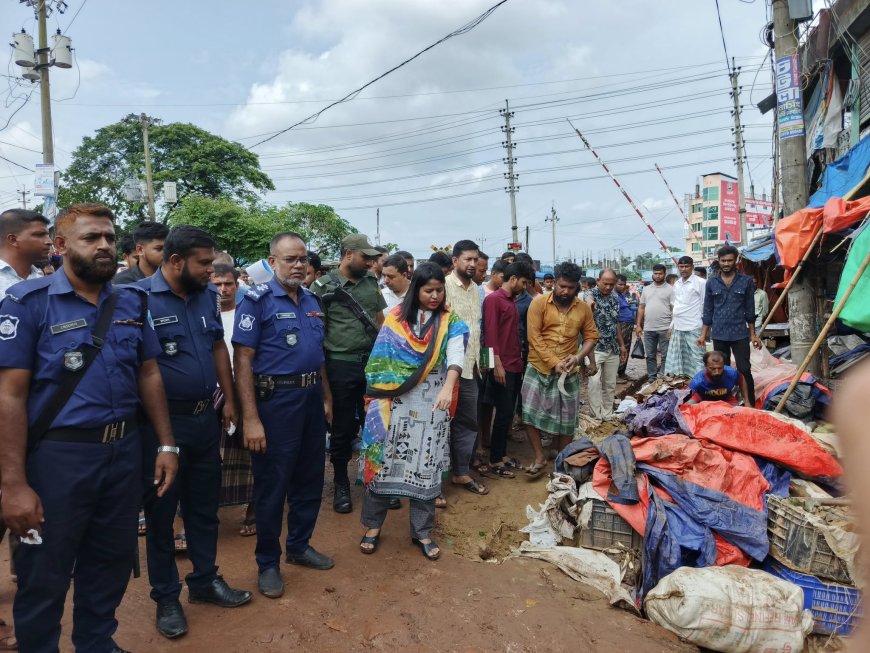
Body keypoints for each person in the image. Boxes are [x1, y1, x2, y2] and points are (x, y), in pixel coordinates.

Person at [0, 203, 179, 653]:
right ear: (60, 247)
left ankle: (97, 642)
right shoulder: (28, 304)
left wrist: (166, 443)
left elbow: (150, 373)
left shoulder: (132, 301)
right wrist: (13, 484)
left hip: (123, 453)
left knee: (112, 560)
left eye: (109, 237)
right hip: (58, 458)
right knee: (46, 570)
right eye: (90, 238)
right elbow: (9, 397)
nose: (104, 246)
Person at [137, 227, 250, 639]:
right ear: (176, 261)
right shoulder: (139, 300)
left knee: (205, 508)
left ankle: (204, 580)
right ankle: (166, 596)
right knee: (163, 514)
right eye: (204, 264)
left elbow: (219, 346)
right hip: (162, 426)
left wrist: (232, 399)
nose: (212, 272)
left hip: (206, 419)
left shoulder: (205, 296)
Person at [233, 233, 335, 598]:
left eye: (302, 259)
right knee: (273, 486)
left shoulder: (311, 300)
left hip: (309, 399)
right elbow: (242, 361)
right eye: (290, 259)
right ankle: (268, 563)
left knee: (309, 479)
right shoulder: (256, 302)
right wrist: (251, 418)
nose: (298, 265)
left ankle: (299, 546)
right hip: (275, 403)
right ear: (272, 261)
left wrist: (325, 398)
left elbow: (317, 355)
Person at [358, 262, 468, 560]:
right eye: (428, 290)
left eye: (439, 290)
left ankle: (422, 531)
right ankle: (372, 526)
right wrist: (382, 393)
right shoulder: (396, 319)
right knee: (383, 461)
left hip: (432, 400)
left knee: (427, 466)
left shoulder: (450, 321)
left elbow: (457, 354)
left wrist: (448, 386)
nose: (434, 296)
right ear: (416, 289)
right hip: (391, 402)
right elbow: (379, 362)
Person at [0, 208, 52, 650]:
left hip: (36, 418)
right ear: (14, 240)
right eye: (40, 234)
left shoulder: (47, 284)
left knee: (28, 514)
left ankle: (24, 612)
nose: (49, 240)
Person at [311, 234, 386, 514]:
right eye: (365, 257)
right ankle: (341, 482)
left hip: (372, 364)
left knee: (376, 424)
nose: (370, 262)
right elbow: (317, 334)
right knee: (342, 427)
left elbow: (380, 323)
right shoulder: (322, 287)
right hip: (340, 365)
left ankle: (376, 481)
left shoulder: (370, 282)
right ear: (349, 254)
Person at [521, 262, 598, 477]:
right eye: (562, 286)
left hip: (569, 370)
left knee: (568, 418)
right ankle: (539, 456)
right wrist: (554, 362)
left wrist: (578, 357)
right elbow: (534, 338)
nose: (566, 291)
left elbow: (591, 336)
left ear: (578, 287)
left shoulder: (583, 309)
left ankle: (561, 458)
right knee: (529, 414)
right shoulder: (538, 304)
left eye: (571, 288)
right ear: (554, 282)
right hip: (538, 366)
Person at [211, 264, 255, 535]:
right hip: (211, 392)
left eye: (228, 284)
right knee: (214, 455)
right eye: (217, 285)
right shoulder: (204, 315)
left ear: (237, 286)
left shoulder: (246, 315)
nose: (223, 290)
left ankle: (254, 509)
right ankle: (208, 510)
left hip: (246, 391)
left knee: (250, 452)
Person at [482, 261, 534, 477]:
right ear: (512, 279)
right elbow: (490, 334)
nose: (524, 286)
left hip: (514, 363)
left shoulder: (511, 300)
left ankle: (501, 455)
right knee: (502, 413)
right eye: (522, 282)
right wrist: (496, 366)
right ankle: (495, 460)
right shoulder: (494, 300)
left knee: (507, 413)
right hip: (502, 366)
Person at [445, 240, 488, 497]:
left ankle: (460, 472)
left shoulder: (475, 289)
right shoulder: (444, 287)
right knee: (440, 424)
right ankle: (434, 482)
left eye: (475, 260)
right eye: (467, 260)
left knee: (467, 422)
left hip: (471, 368)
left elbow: (476, 328)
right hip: (446, 369)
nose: (472, 264)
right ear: (455, 261)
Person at [698, 245, 761, 406]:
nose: (726, 264)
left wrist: (753, 335)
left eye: (729, 260)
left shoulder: (746, 281)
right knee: (720, 371)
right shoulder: (711, 283)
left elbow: (750, 310)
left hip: (740, 333)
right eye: (723, 261)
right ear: (718, 261)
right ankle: (723, 403)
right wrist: (703, 335)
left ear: (736, 261)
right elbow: (708, 310)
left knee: (744, 369)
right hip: (719, 334)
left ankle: (749, 404)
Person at [585, 269, 627, 420]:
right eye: (605, 284)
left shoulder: (615, 298)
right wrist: (590, 303)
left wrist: (622, 345)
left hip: (612, 348)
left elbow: (616, 324)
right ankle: (596, 416)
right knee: (594, 383)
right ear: (598, 281)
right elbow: (588, 298)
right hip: (594, 349)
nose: (608, 287)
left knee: (609, 384)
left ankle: (607, 414)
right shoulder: (590, 294)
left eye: (611, 284)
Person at [664, 256, 707, 377]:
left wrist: (704, 331)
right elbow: (676, 306)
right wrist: (671, 326)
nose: (684, 269)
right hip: (678, 327)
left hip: (694, 327)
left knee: (697, 359)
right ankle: (683, 386)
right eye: (681, 267)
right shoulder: (677, 284)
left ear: (692, 267)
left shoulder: (701, 283)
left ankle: (699, 387)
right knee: (679, 360)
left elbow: (705, 306)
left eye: (686, 266)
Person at [636, 263, 673, 381]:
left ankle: (662, 376)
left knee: (665, 355)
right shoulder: (646, 289)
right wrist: (638, 325)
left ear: (664, 274)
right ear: (652, 274)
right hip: (648, 328)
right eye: (655, 273)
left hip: (665, 328)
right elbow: (641, 308)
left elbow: (674, 309)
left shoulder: (671, 289)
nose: (657, 276)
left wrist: (672, 326)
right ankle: (652, 378)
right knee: (650, 355)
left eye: (660, 273)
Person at [614, 274, 635, 376]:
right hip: (621, 324)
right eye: (620, 284)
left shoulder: (621, 294)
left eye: (624, 284)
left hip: (627, 324)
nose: (622, 286)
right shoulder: (613, 295)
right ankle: (618, 373)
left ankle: (622, 371)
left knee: (626, 347)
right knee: (621, 347)